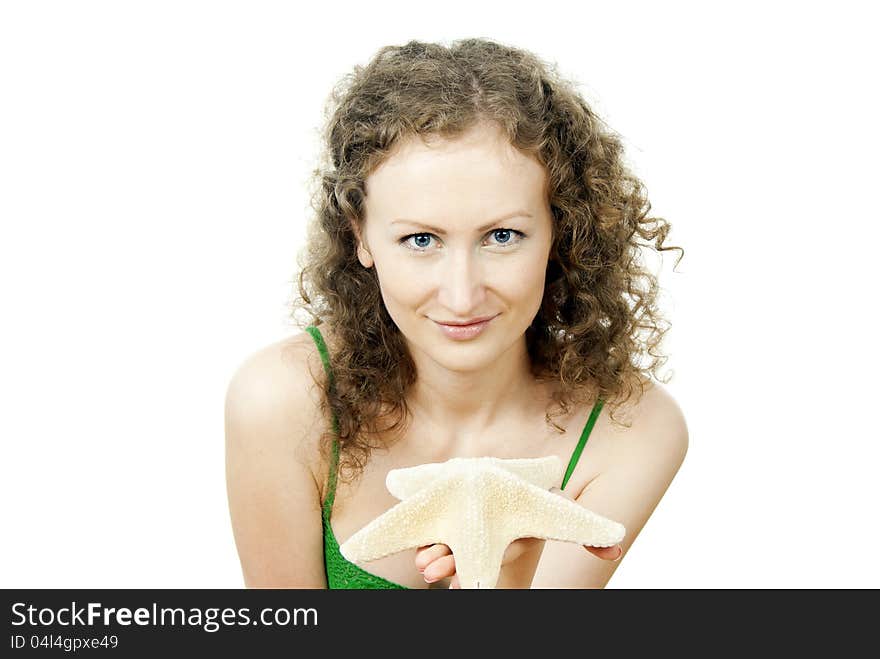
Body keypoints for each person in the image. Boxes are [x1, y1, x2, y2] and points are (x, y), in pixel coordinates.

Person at [225, 37, 688, 589]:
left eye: (502, 235)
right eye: (421, 240)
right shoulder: (284, 401)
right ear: (361, 237)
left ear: (559, 232)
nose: (462, 296)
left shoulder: (630, 430)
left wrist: (511, 574)